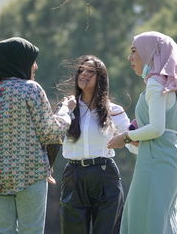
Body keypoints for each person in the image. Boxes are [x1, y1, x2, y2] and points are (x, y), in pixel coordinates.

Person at [0, 37, 76, 234]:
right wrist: (66, 110)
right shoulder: (30, 89)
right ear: (19, 61)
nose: (36, 66)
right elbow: (50, 132)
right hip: (29, 175)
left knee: (1, 231)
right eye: (32, 60)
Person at [108, 31, 177, 234]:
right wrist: (140, 135)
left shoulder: (155, 84)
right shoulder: (175, 87)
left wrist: (126, 137)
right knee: (161, 220)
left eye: (134, 51)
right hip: (171, 163)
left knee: (142, 220)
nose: (130, 58)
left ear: (150, 53)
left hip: (155, 165)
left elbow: (157, 129)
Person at [60, 55, 136, 234]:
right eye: (81, 70)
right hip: (74, 175)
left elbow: (132, 142)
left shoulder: (114, 111)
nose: (84, 74)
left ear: (100, 78)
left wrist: (133, 138)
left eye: (90, 72)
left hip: (105, 176)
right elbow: (53, 136)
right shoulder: (68, 107)